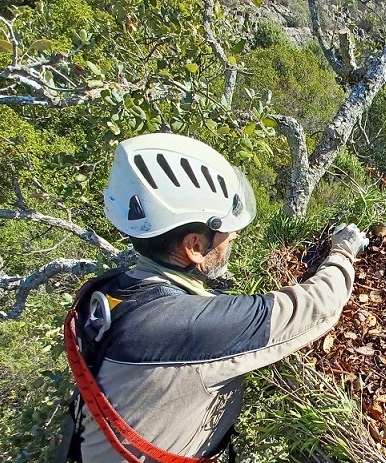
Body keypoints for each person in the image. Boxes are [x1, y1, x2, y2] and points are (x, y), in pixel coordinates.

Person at [69, 133, 368, 462]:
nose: (234, 235)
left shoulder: (106, 291)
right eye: (226, 229)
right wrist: (343, 250)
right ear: (195, 246)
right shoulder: (191, 327)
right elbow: (319, 305)